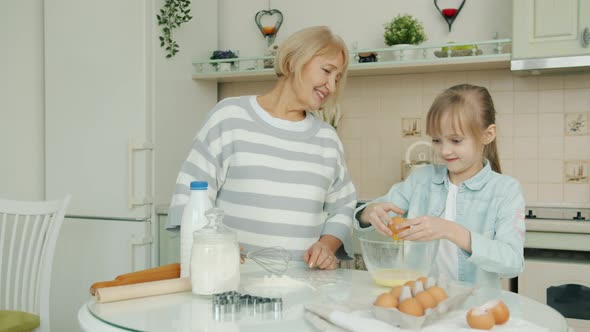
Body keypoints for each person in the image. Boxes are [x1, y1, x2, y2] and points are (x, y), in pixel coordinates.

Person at [168, 26, 356, 270]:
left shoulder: (327, 139)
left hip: (304, 289)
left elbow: (343, 207)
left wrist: (327, 246)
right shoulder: (229, 117)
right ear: (292, 62)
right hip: (231, 284)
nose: (331, 86)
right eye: (327, 71)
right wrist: (216, 244)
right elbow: (190, 195)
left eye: (337, 78)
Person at [355, 84, 525, 288]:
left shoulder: (505, 190)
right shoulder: (421, 179)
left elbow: (512, 262)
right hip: (420, 299)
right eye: (437, 140)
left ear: (487, 135)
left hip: (474, 306)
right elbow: (370, 213)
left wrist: (451, 230)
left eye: (455, 140)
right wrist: (369, 212)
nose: (444, 151)